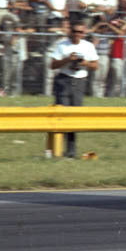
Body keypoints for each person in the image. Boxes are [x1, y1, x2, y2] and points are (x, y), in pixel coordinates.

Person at [48, 17, 98, 158]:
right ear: (70, 32)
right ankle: (57, 149)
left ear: (84, 33)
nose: (77, 34)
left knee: (74, 117)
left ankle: (71, 150)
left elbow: (95, 66)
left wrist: (84, 63)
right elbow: (52, 65)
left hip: (79, 81)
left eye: (80, 32)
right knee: (61, 115)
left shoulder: (88, 46)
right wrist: (68, 60)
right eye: (75, 31)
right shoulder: (62, 45)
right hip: (63, 80)